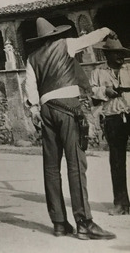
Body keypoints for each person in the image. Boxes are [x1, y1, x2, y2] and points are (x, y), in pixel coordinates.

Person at [25, 17, 116, 239]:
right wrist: (105, 28)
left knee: (51, 168)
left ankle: (59, 223)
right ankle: (84, 223)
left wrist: (36, 112)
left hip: (46, 110)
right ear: (55, 34)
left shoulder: (32, 58)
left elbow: (30, 90)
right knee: (76, 165)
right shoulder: (66, 44)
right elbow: (88, 39)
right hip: (68, 107)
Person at [90, 36, 130, 216]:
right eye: (116, 54)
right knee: (117, 161)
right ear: (107, 54)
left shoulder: (128, 69)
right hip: (113, 118)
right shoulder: (98, 72)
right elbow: (91, 92)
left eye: (122, 54)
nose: (121, 57)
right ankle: (121, 203)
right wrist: (104, 91)